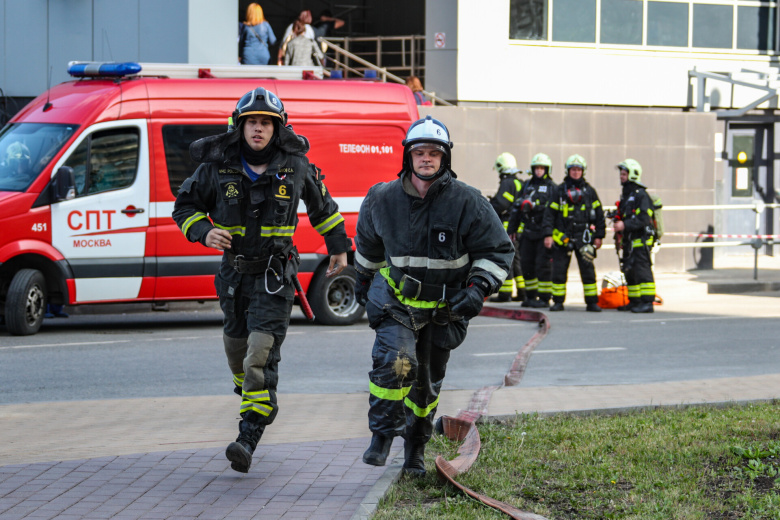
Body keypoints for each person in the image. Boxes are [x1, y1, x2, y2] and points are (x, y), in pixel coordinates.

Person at [172, 87, 351, 473]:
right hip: (233, 277)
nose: (258, 128)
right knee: (236, 351)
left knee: (259, 353)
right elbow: (184, 207)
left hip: (275, 276)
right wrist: (203, 231)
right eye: (251, 121)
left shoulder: (296, 165)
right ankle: (255, 392)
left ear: (277, 128)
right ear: (239, 126)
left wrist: (339, 247)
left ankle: (248, 433)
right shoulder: (216, 167)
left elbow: (324, 208)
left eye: (266, 123)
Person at [354, 115, 514, 477]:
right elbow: (368, 246)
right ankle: (382, 435)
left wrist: (478, 289)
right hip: (397, 303)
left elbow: (498, 250)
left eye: (434, 153)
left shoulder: (468, 201)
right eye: (419, 152)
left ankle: (415, 448)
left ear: (445, 158)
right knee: (397, 362)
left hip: (444, 309)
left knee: (426, 386)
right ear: (407, 157)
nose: (426, 158)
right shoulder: (382, 198)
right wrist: (363, 281)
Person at [542, 154, 605, 312]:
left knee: (588, 271)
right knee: (559, 271)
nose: (576, 172)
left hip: (584, 238)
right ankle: (558, 302)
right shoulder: (559, 191)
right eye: (573, 170)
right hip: (563, 237)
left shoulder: (590, 191)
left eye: (578, 169)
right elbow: (549, 215)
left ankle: (591, 302)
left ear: (583, 171)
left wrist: (599, 236)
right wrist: (548, 234)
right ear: (568, 171)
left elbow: (599, 215)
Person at [507, 153, 557, 308]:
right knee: (527, 265)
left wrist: (549, 234)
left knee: (543, 266)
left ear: (547, 169)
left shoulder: (552, 188)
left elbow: (553, 213)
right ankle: (530, 296)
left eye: (542, 168)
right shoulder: (527, 185)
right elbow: (516, 208)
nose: (539, 170)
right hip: (528, 232)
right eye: (537, 168)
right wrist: (512, 229)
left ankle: (544, 298)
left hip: (543, 233)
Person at [613, 159, 656, 313]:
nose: (621, 177)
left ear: (633, 174)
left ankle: (647, 303)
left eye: (624, 174)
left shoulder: (641, 195)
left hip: (641, 240)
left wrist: (625, 225)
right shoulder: (627, 194)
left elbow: (644, 218)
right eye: (621, 174)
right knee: (630, 271)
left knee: (642, 271)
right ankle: (635, 301)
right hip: (629, 241)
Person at [488, 152, 525, 302]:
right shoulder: (519, 182)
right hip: (518, 229)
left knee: (506, 258)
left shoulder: (507, 183)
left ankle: (505, 294)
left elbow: (501, 204)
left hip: (508, 228)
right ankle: (522, 292)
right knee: (516, 260)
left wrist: (489, 207)